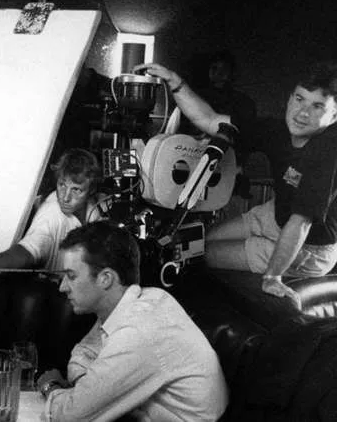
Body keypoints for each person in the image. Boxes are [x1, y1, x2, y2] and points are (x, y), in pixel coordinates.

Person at [136, 61, 337, 308]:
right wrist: (175, 82)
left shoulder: (329, 151)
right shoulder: (277, 131)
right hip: (274, 215)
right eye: (299, 99)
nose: (302, 113)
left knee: (197, 254)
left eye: (317, 106)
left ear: (334, 116)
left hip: (310, 245)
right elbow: (209, 119)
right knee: (194, 241)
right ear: (289, 98)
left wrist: (272, 277)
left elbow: (301, 222)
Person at [36, 222, 228, 421]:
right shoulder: (141, 300)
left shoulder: (138, 330)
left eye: (71, 276)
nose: (63, 287)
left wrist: (51, 388)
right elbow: (82, 355)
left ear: (105, 278)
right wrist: (90, 390)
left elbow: (70, 416)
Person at [0, 148, 105, 276]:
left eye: (76, 189)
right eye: (62, 185)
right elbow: (29, 249)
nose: (65, 197)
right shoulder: (51, 213)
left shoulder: (100, 204)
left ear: (91, 190)